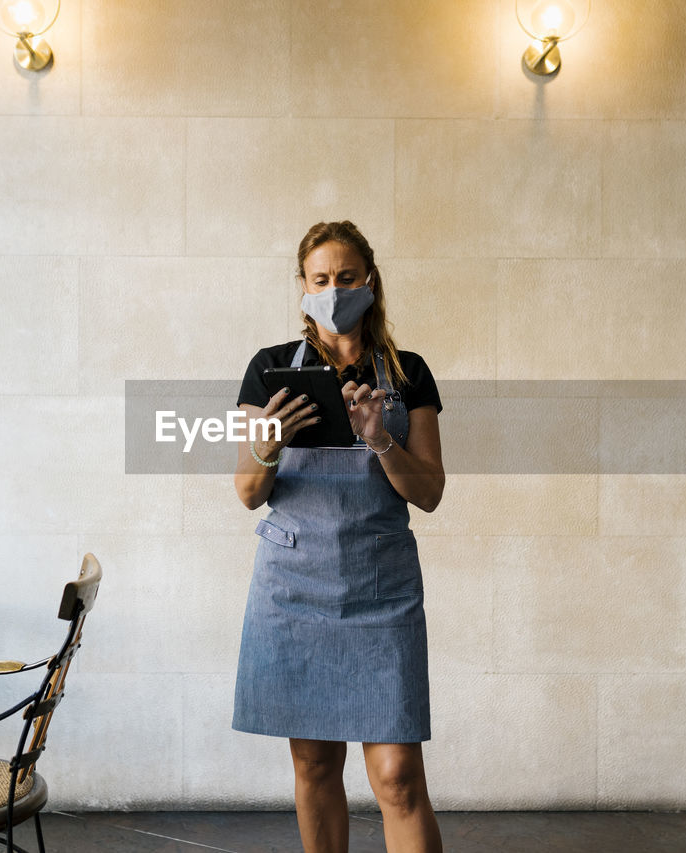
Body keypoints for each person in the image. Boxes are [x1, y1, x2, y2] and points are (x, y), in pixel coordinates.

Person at [232, 221, 446, 853]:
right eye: (320, 279)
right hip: (294, 591)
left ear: (370, 283)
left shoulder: (407, 374)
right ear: (302, 287)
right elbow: (247, 492)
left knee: (398, 777)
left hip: (382, 591)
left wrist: (382, 438)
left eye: (346, 278)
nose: (333, 290)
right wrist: (267, 448)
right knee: (316, 768)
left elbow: (429, 492)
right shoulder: (270, 371)